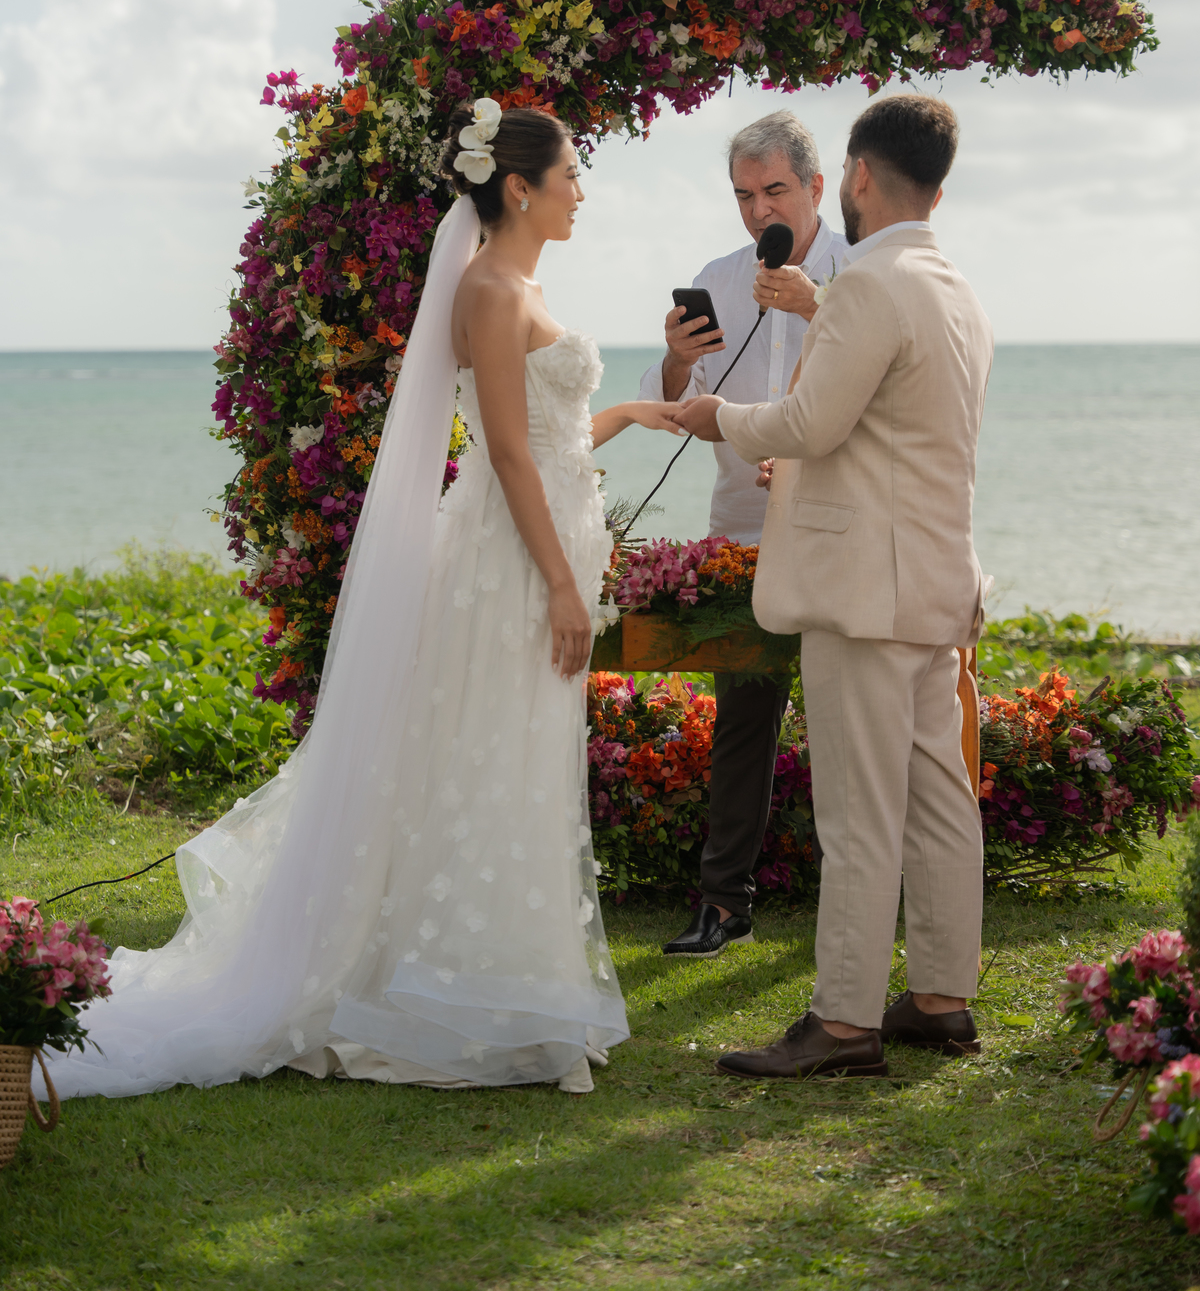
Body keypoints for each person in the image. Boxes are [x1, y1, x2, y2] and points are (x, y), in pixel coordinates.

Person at [40, 99, 683, 1101]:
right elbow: (507, 455)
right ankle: (451, 988)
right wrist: (563, 583)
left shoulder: (519, 284)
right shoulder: (490, 290)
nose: (581, 194)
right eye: (571, 177)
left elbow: (551, 440)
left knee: (512, 752)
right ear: (520, 188)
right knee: (488, 751)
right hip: (512, 562)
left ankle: (503, 984)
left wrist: (636, 411)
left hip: (536, 548)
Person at [670, 93, 992, 1080]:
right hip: (936, 578)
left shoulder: (865, 285)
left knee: (856, 814)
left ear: (852, 176)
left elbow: (809, 424)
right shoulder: (956, 287)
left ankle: (845, 1022)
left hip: (862, 590)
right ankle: (940, 997)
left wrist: (719, 419)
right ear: (937, 185)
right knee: (939, 799)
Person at [638, 110, 847, 959]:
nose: (761, 210)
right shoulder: (719, 279)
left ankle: (854, 906)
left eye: (775, 191)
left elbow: (880, 400)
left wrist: (817, 308)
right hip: (742, 534)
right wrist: (676, 362)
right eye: (744, 195)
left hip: (834, 534)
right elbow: (676, 406)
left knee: (846, 724)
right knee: (742, 725)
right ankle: (724, 903)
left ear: (817, 187)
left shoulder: (861, 274)